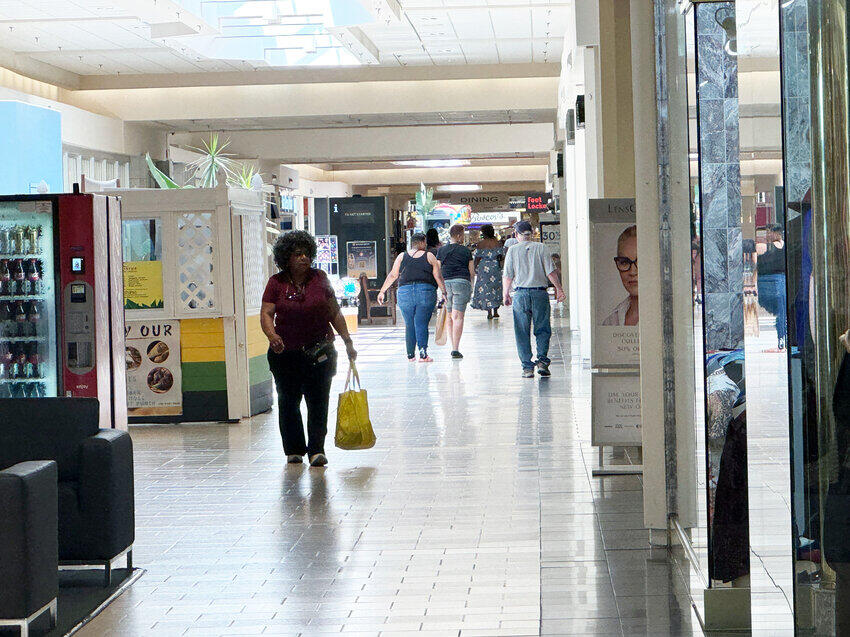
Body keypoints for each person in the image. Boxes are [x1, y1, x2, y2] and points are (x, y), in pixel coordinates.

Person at [261, 231, 357, 467]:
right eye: (297, 254)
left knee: (318, 400)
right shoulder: (276, 283)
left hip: (320, 351)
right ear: (286, 258)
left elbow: (334, 311)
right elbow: (266, 313)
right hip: (286, 353)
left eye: (306, 253)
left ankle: (316, 449)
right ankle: (293, 450)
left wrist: (347, 341)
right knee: (288, 400)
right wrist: (272, 335)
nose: (303, 258)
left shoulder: (320, 278)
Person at [503, 220, 566, 378]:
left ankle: (527, 367)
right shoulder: (542, 247)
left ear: (517, 235)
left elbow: (508, 275)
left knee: (522, 331)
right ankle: (542, 362)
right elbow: (550, 272)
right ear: (532, 234)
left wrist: (505, 294)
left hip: (521, 294)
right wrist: (559, 288)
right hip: (540, 293)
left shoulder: (512, 250)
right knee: (543, 328)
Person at [377, 232, 447, 362]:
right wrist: (444, 292)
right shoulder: (430, 256)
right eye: (424, 242)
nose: (425, 245)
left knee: (409, 324)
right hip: (425, 291)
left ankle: (410, 355)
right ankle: (423, 354)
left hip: (404, 292)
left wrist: (382, 291)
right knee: (421, 323)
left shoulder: (401, 256)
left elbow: (393, 275)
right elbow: (437, 276)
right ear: (421, 243)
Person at [437, 224, 475, 359]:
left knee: (450, 315)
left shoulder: (441, 251)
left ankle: (452, 346)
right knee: (458, 316)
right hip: (462, 282)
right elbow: (471, 272)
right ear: (459, 235)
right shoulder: (466, 251)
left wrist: (441, 288)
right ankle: (455, 348)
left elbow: (438, 270)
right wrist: (472, 286)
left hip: (446, 284)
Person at [756, 224, 787, 351]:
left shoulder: (766, 247)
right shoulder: (767, 247)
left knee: (781, 312)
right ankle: (782, 338)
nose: (767, 235)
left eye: (769, 232)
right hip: (775, 282)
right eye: (767, 233)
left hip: (775, 282)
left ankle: (781, 339)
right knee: (781, 312)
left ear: (776, 233)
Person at [602, 225, 639, 326]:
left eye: (640, 261)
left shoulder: (672, 316)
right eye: (624, 262)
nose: (632, 272)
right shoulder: (611, 321)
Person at [471, 223, 504, 320]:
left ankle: (489, 311)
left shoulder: (481, 244)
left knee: (486, 289)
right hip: (495, 268)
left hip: (484, 268)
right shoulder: (498, 243)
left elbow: (477, 258)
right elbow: (501, 256)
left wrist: (474, 268)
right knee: (496, 288)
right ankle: (496, 311)